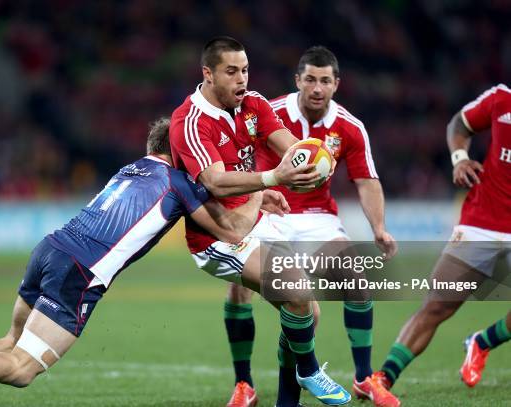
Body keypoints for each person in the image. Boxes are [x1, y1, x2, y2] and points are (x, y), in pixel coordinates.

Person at [0, 117, 289, 407]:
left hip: (51, 249)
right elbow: (233, 231)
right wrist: (263, 187)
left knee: (11, 341)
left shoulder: (130, 169)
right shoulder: (178, 182)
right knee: (21, 369)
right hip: (80, 271)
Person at [170, 36, 351, 406]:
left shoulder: (253, 104)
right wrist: (271, 180)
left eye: (246, 70)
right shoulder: (190, 120)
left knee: (307, 312)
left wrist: (313, 159)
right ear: (208, 73)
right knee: (298, 293)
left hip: (254, 219)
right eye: (232, 72)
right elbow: (215, 181)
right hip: (217, 235)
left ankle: (288, 400)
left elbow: (286, 143)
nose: (242, 80)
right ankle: (308, 371)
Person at [220, 46, 400, 407]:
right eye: (311, 80)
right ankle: (244, 385)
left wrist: (378, 227)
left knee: (355, 277)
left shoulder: (349, 126)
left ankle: (364, 378)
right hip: (269, 213)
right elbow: (236, 155)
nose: (317, 88)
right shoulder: (267, 112)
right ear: (298, 80)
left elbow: (366, 180)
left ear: (336, 84)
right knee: (240, 290)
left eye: (325, 81)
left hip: (318, 217)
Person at [375, 84, 511, 393]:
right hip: (482, 222)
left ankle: (482, 342)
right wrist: (460, 158)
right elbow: (459, 124)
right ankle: (382, 379)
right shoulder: (502, 99)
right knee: (437, 306)